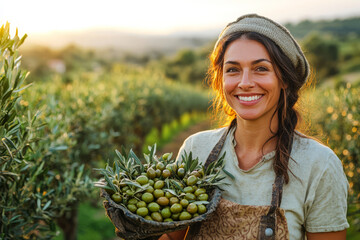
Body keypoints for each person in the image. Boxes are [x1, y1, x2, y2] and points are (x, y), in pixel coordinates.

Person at [160, 14, 349, 240]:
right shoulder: (196, 149)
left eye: (260, 68)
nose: (245, 82)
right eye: (232, 70)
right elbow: (172, 237)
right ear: (221, 79)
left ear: (285, 79)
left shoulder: (319, 165)